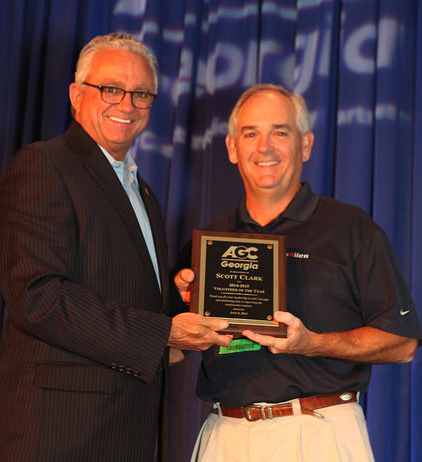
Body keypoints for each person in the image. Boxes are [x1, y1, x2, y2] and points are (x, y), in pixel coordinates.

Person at [0, 33, 232, 462]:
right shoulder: (43, 165)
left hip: (131, 430)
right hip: (61, 434)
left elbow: (134, 306)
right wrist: (166, 330)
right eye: (111, 89)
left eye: (141, 94)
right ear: (76, 95)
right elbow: (37, 296)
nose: (126, 105)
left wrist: (184, 306)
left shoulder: (143, 193)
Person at [173, 83, 422, 462]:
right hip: (225, 434)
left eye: (280, 132)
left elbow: (402, 343)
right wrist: (184, 321)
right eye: (251, 133)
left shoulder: (352, 229)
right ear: (231, 147)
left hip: (318, 433)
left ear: (305, 145)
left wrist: (313, 343)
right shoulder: (207, 246)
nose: (265, 147)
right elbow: (170, 353)